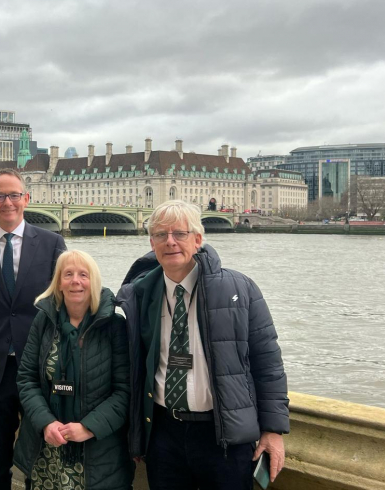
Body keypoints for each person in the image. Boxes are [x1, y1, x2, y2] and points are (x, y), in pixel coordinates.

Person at [117, 200, 289, 489]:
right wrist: (136, 434)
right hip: (163, 433)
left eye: (179, 234)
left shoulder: (240, 288)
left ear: (198, 239)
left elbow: (267, 361)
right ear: (151, 242)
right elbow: (135, 369)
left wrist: (273, 430)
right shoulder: (138, 295)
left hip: (223, 436)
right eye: (160, 235)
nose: (170, 242)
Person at [0, 168, 66, 489]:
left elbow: (63, 302)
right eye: (0, 196)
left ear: (26, 199)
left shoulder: (51, 244)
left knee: (42, 455)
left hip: (40, 368)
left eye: (14, 195)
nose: (7, 202)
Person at [14, 250, 134, 490]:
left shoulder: (115, 326)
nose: (75, 281)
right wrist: (46, 423)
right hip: (47, 451)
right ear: (59, 283)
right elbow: (27, 379)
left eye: (83, 274)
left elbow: (125, 391)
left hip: (98, 455)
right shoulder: (43, 321)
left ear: (94, 281)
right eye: (68, 274)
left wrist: (89, 427)